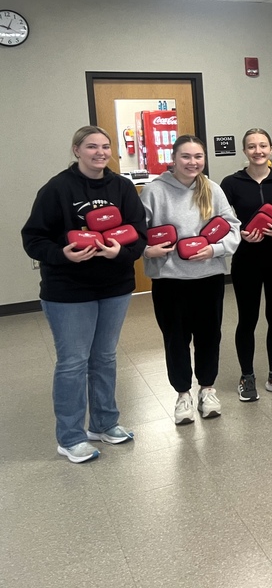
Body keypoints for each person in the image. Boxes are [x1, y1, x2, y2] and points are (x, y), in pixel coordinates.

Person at [22, 126, 147, 463]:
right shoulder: (57, 188)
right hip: (68, 291)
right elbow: (33, 238)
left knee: (104, 358)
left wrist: (118, 252)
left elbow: (140, 237)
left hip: (115, 287)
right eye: (91, 146)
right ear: (76, 150)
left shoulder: (122, 187)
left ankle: (105, 424)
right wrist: (63, 253)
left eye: (105, 147)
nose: (100, 152)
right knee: (73, 363)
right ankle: (71, 436)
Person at [141, 135, 240, 423]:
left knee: (209, 337)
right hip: (170, 281)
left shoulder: (212, 188)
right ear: (173, 158)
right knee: (176, 340)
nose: (192, 162)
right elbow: (138, 233)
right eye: (186, 156)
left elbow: (233, 228)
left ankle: (207, 389)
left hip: (208, 277)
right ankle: (183, 394)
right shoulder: (153, 191)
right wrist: (148, 250)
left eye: (198, 156)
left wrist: (215, 249)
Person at [221, 128, 272, 402]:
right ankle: (247, 377)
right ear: (245, 151)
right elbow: (221, 223)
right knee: (247, 319)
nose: (258, 151)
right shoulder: (231, 182)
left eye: (263, 146)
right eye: (252, 146)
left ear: (270, 149)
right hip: (246, 260)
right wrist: (240, 234)